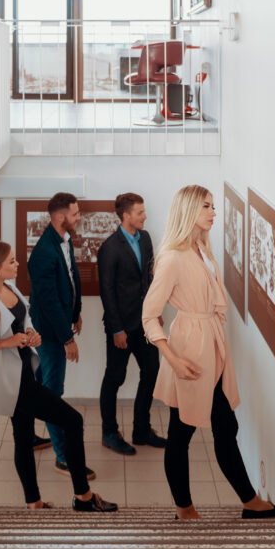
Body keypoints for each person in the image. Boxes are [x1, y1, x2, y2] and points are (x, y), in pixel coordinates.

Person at [142, 185, 275, 520]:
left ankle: (250, 501)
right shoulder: (172, 258)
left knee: (225, 425)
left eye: (213, 206)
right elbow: (149, 315)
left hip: (213, 346)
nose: (213, 213)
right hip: (191, 350)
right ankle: (185, 508)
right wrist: (173, 359)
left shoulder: (202, 250)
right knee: (182, 431)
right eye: (206, 207)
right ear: (189, 210)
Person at [0, 240, 116, 512]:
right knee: (73, 421)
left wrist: (32, 334)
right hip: (14, 384)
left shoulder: (9, 287)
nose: (17, 264)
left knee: (23, 438)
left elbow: (25, 318)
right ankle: (83, 497)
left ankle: (34, 503)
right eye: (11, 261)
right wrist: (8, 342)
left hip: (25, 373)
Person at [28, 192, 95, 480]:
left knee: (38, 386)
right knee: (52, 394)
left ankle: (27, 435)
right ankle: (63, 456)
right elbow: (49, 302)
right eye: (75, 214)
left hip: (59, 326)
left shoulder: (64, 241)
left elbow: (69, 279)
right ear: (60, 217)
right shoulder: (43, 253)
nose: (79, 218)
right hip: (50, 334)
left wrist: (76, 312)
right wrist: (67, 339)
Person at [96, 193, 165, 455]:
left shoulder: (145, 238)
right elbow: (107, 292)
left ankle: (141, 430)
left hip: (145, 322)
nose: (145, 216)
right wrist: (117, 330)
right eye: (140, 212)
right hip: (122, 326)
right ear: (126, 216)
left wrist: (155, 311)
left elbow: (149, 278)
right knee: (115, 378)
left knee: (152, 371)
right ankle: (109, 433)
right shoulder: (110, 248)